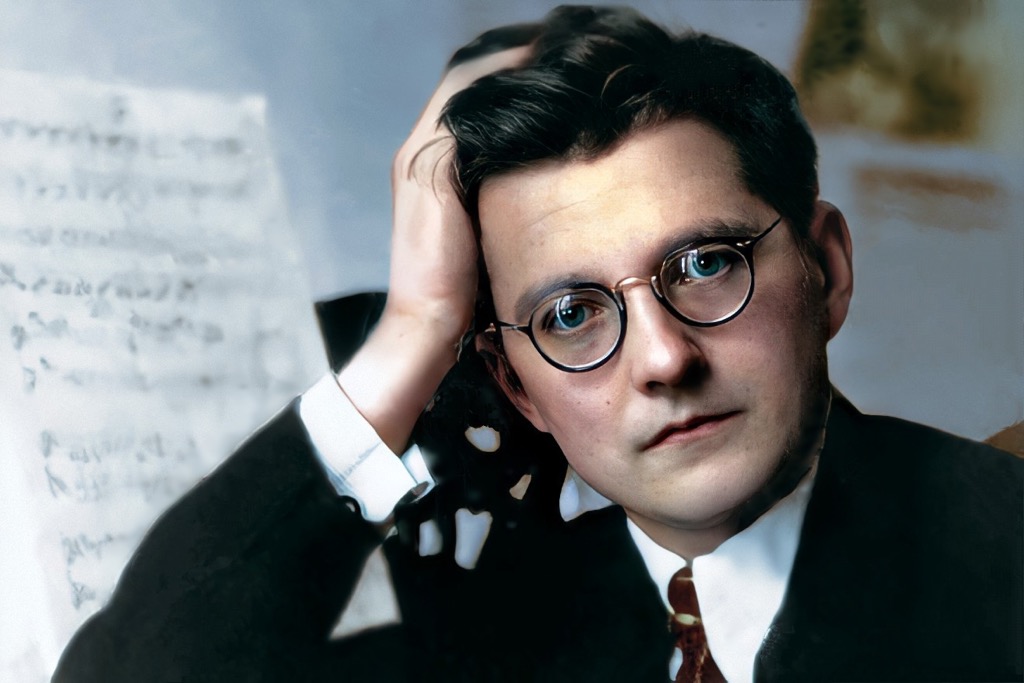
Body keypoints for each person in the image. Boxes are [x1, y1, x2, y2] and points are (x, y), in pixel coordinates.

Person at [54, 6, 1023, 682]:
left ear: (827, 268)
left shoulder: (996, 553)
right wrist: (414, 329)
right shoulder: (503, 624)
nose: (663, 360)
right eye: (570, 314)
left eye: (705, 265)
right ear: (516, 387)